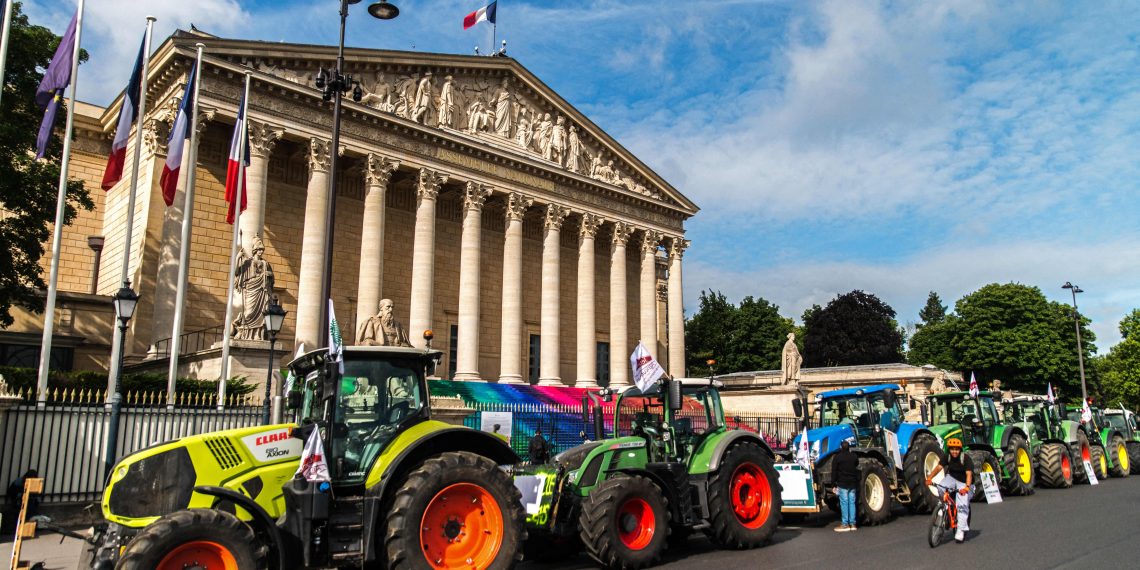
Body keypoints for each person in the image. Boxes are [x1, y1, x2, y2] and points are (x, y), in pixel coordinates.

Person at [925, 437, 974, 543]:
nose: (954, 451)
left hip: (965, 482)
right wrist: (929, 478)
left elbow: (969, 474)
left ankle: (960, 530)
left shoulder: (965, 458)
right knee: (941, 487)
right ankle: (944, 506)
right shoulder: (947, 457)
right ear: (949, 450)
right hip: (952, 478)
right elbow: (938, 467)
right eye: (952, 449)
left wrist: (966, 488)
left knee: (962, 505)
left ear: (960, 449)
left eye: (956, 449)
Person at [830, 440, 860, 532]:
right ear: (849, 447)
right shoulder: (854, 456)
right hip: (853, 482)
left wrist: (833, 484)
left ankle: (845, 524)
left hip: (842, 483)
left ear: (841, 447)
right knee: (852, 502)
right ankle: (853, 523)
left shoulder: (837, 458)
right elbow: (856, 463)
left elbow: (834, 471)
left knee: (844, 503)